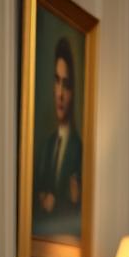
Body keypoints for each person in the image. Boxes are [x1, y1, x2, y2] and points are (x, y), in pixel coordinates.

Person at [33, 36, 83, 235]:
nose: (60, 94)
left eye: (66, 85)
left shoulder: (78, 148)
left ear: (73, 91)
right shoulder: (46, 146)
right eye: (57, 82)